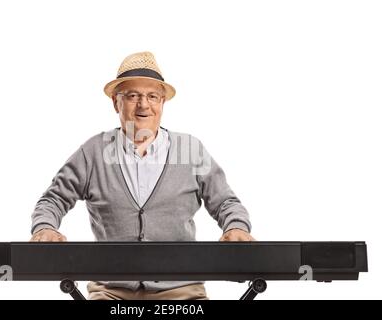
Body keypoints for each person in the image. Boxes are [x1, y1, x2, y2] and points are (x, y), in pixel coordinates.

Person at [30, 51, 254, 300]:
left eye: (152, 96)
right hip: (111, 291)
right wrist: (45, 227)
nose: (143, 105)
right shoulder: (93, 152)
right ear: (116, 103)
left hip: (180, 291)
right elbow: (53, 199)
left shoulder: (191, 150)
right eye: (133, 96)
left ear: (162, 103)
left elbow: (225, 202)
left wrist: (236, 227)